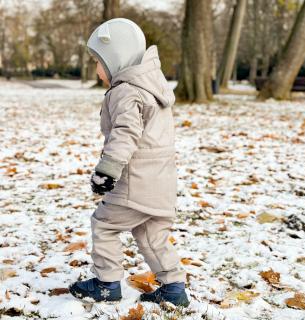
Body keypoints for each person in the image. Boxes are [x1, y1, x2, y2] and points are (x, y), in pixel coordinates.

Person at [68, 18, 189, 307]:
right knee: (150, 234)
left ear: (115, 57)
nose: (97, 70)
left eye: (98, 61)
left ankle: (107, 282)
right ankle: (174, 288)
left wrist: (107, 170)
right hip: (161, 182)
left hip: (135, 182)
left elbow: (125, 133)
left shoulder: (126, 90)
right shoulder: (152, 86)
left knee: (103, 224)